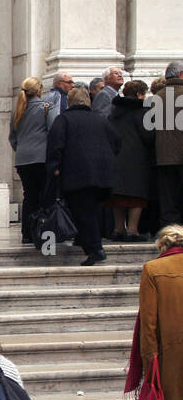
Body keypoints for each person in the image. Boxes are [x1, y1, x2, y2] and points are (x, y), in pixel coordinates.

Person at [45, 85, 122, 265]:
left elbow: (55, 146)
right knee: (92, 211)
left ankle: (95, 249)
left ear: (69, 102)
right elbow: (117, 142)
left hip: (76, 176)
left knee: (83, 212)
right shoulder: (101, 120)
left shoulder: (64, 120)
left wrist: (54, 168)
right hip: (101, 176)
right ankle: (86, 240)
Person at [128, 225, 183, 400]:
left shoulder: (153, 269)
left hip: (170, 349)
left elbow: (148, 320)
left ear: (163, 246)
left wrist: (149, 356)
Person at [106, 80, 154, 240]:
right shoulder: (141, 111)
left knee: (118, 195)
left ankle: (118, 229)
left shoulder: (115, 111)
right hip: (136, 157)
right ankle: (133, 230)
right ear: (140, 94)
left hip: (117, 156)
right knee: (136, 196)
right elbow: (147, 135)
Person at [8, 78, 51, 245]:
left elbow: (12, 137)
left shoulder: (18, 110)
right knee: (43, 196)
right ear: (39, 89)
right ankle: (41, 232)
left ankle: (26, 232)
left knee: (29, 196)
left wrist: (21, 150)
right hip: (41, 158)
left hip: (23, 159)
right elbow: (52, 132)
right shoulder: (46, 108)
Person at [151, 60, 183, 226]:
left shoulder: (157, 97)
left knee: (168, 198)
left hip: (163, 155)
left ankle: (169, 230)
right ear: (180, 75)